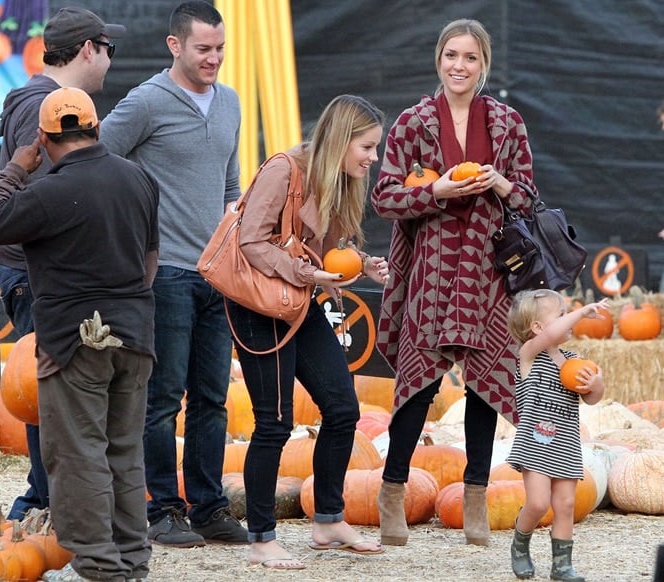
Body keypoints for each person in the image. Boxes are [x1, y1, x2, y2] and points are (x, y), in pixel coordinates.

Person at [0, 87, 159, 582]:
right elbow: (150, 259)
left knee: (78, 453)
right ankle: (132, 559)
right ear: (97, 128)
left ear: (44, 137)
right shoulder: (138, 179)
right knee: (123, 449)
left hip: (73, 341)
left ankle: (99, 564)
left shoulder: (48, 191)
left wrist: (15, 168)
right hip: (136, 334)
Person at [371, 18, 535, 547]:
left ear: (483, 63)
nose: (459, 66)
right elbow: (385, 197)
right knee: (418, 383)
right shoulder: (414, 122)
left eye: (469, 57)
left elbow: (529, 199)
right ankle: (392, 491)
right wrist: (437, 190)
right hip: (433, 270)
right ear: (438, 59)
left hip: (488, 274)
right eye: (450, 55)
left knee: (486, 386)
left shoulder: (508, 123)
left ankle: (475, 495)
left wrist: (502, 182)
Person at [100, 1, 246, 547]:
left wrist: (234, 243)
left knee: (212, 398)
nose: (214, 58)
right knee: (162, 398)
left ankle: (208, 506)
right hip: (164, 275)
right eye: (204, 49)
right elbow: (97, 161)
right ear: (175, 45)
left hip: (215, 275)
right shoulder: (145, 102)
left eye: (220, 49)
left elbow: (231, 187)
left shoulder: (229, 102)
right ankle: (161, 507)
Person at [229, 94, 389, 570]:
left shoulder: (339, 182)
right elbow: (250, 241)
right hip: (257, 304)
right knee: (274, 422)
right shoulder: (284, 170)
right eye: (367, 146)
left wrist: (361, 264)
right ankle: (261, 537)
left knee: (343, 408)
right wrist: (306, 273)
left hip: (300, 301)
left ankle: (328, 519)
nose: (373, 158)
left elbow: (326, 252)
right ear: (341, 140)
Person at [0, 5, 126, 522]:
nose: (109, 62)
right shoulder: (44, 108)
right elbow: (45, 201)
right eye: (107, 50)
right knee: (48, 395)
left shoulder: (39, 101)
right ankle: (47, 504)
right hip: (39, 274)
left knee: (53, 394)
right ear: (88, 49)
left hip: (38, 272)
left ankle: (49, 501)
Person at [505, 289, 607, 581]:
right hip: (534, 444)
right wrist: (582, 310)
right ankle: (520, 542)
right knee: (537, 503)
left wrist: (596, 384)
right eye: (561, 315)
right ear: (537, 327)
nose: (568, 320)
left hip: (565, 444)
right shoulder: (529, 354)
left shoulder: (573, 361)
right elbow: (550, 338)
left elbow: (591, 399)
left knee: (566, 505)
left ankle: (562, 566)